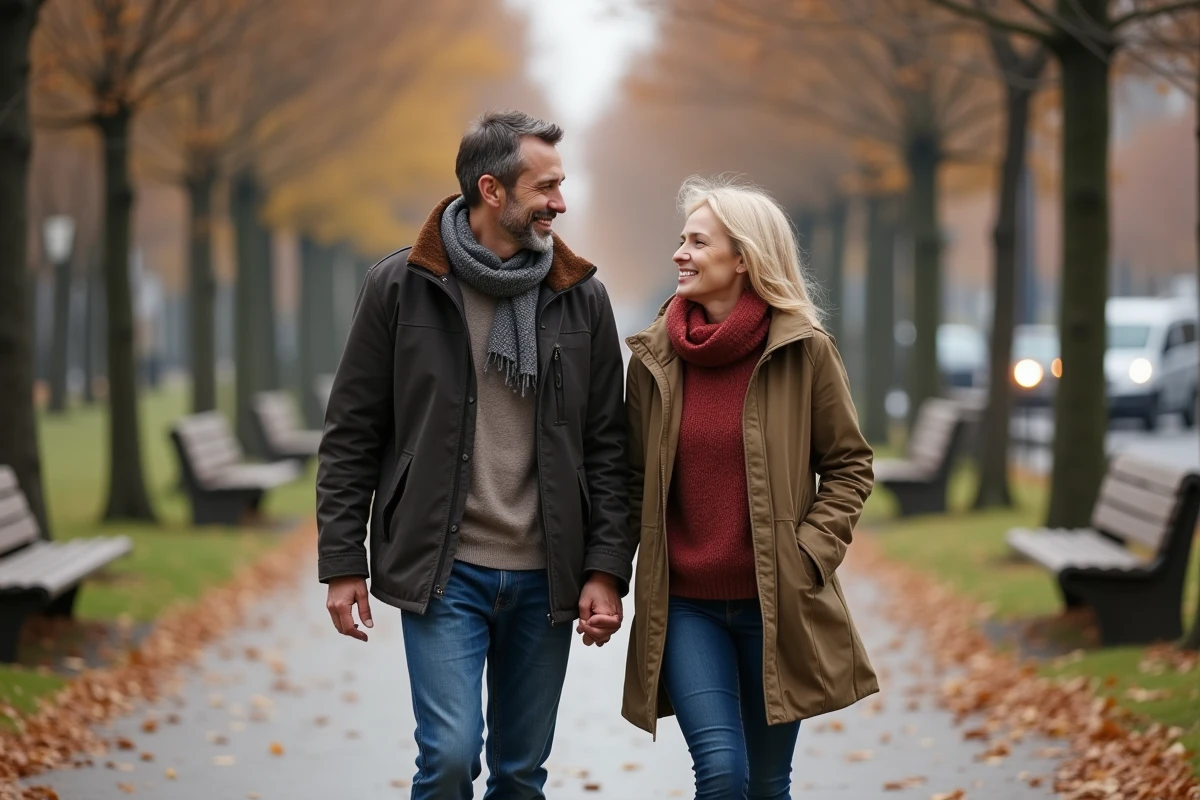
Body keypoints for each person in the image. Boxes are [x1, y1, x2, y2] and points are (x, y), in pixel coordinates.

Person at [316, 110, 632, 800]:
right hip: (442, 569)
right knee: (451, 757)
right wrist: (343, 564)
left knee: (520, 775)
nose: (560, 201)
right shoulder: (400, 287)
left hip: (545, 573)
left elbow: (611, 447)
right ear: (492, 191)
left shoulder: (584, 300)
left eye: (561, 183)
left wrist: (606, 568)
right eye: (544, 186)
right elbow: (351, 435)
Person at [621, 176, 878, 799]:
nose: (680, 253)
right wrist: (602, 574)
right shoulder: (653, 360)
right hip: (687, 609)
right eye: (681, 240)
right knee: (721, 772)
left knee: (766, 784)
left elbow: (849, 465)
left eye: (698, 242)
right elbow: (629, 481)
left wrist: (807, 554)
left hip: (776, 606)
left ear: (744, 258)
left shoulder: (804, 351)